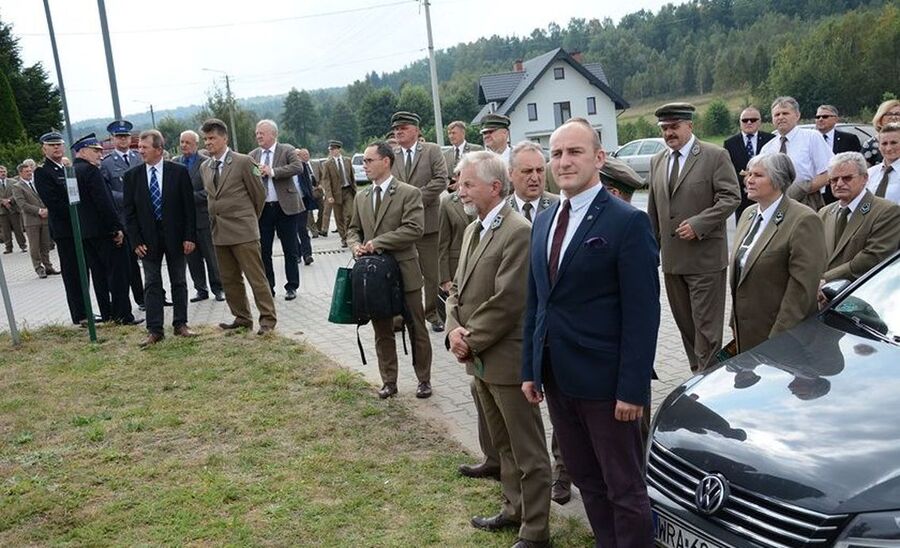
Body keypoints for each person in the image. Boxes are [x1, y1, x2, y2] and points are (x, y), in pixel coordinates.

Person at [521, 119, 660, 547]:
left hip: (607, 385)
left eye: (574, 152)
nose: (563, 161)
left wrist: (632, 390)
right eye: (557, 153)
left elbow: (643, 315)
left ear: (599, 158)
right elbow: (537, 301)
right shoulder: (544, 221)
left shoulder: (626, 223)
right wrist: (530, 368)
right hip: (558, 378)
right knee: (587, 481)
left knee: (625, 488)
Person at [446, 151, 551, 548]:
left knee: (529, 451)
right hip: (478, 359)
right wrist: (453, 330)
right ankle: (513, 509)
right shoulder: (474, 229)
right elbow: (455, 288)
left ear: (494, 187)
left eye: (468, 183)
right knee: (502, 443)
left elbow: (510, 300)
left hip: (507, 359)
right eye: (460, 182)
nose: (461, 189)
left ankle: (536, 531)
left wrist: (466, 340)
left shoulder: (518, 230)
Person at [647, 102, 740, 373]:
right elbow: (654, 209)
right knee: (686, 326)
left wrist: (700, 223)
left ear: (690, 125)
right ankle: (698, 373)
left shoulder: (714, 156)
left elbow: (731, 197)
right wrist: (651, 251)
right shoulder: (658, 161)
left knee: (706, 328)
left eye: (674, 127)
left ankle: (709, 377)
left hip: (705, 260)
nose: (668, 134)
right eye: (664, 128)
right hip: (673, 262)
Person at [347, 141, 433, 399]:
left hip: (404, 272)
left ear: (386, 161)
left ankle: (424, 380)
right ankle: (389, 381)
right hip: (374, 277)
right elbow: (353, 230)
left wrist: (378, 242)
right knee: (382, 329)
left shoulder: (408, 193)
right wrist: (356, 247)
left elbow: (414, 229)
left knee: (416, 326)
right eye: (364, 161)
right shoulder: (361, 196)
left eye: (369, 161)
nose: (365, 166)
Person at [730, 153, 826, 353]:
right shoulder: (748, 214)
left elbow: (802, 288)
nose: (749, 180)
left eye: (758, 175)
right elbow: (742, 273)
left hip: (779, 335)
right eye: (748, 174)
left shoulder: (803, 219)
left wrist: (780, 338)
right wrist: (735, 322)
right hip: (746, 330)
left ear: (778, 180)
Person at [199, 118, 277, 335]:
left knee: (256, 277)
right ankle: (242, 318)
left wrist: (249, 219)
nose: (208, 143)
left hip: (243, 232)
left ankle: (268, 321)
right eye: (205, 139)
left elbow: (259, 194)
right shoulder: (205, 166)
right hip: (219, 232)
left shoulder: (245, 162)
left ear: (225, 138)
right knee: (229, 279)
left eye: (212, 138)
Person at [123, 130, 197, 347]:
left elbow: (188, 208)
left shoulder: (179, 172)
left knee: (179, 281)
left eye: (144, 148)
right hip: (147, 240)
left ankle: (180, 324)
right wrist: (135, 241)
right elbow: (129, 213)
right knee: (152, 283)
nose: (140, 151)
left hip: (176, 237)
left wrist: (190, 236)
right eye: (139, 148)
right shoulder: (132, 176)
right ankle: (154, 330)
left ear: (159, 149)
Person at [391, 111, 449, 332]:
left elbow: (440, 180)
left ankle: (433, 313)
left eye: (403, 128)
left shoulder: (432, 150)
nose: (399, 131)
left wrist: (413, 199)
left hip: (428, 223)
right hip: (401, 224)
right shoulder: (391, 155)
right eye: (396, 129)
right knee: (402, 272)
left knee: (431, 273)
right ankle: (404, 315)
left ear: (416, 130)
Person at [72, 133, 140, 325]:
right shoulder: (91, 172)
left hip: (86, 233)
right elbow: (104, 203)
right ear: (83, 151)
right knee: (118, 274)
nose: (100, 156)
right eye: (95, 151)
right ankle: (122, 315)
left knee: (99, 276)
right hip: (104, 232)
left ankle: (107, 313)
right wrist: (116, 228)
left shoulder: (71, 172)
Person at [34, 132, 96, 324]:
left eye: (59, 145)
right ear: (44, 148)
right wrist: (77, 216)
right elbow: (54, 203)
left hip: (79, 228)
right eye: (52, 145)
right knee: (72, 273)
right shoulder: (43, 172)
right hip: (65, 230)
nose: (57, 148)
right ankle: (80, 314)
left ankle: (87, 310)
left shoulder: (66, 169)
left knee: (83, 271)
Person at [819, 151, 900, 284]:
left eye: (847, 178)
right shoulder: (824, 213)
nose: (839, 184)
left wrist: (825, 279)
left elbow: (872, 258)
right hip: (821, 294)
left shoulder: (887, 212)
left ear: (865, 178)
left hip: (861, 292)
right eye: (834, 179)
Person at [249, 119, 304, 300]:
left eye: (261, 133)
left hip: (286, 207)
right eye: (257, 133)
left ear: (273, 134)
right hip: (263, 209)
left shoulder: (286, 150)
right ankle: (268, 288)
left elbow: (298, 167)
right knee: (264, 250)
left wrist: (272, 171)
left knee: (290, 248)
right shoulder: (253, 155)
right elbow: (250, 176)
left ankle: (292, 286)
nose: (258, 136)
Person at [173, 130, 223, 303]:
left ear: (196, 144)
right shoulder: (175, 163)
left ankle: (218, 288)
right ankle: (201, 289)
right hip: (184, 221)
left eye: (187, 142)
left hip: (202, 217)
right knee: (192, 257)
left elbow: (211, 191)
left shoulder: (206, 163)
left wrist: (188, 197)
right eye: (182, 142)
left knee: (211, 255)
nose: (184, 145)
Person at [100, 119, 145, 309]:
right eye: (119, 137)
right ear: (112, 139)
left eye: (126, 136)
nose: (123, 140)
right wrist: (128, 196)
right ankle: (140, 299)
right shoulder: (108, 163)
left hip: (143, 215)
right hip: (123, 217)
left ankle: (156, 295)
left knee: (151, 258)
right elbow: (106, 191)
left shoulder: (138, 157)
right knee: (131, 263)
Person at [759, 96, 833, 210]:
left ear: (797, 115)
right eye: (777, 115)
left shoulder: (811, 137)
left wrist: (800, 190)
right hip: (775, 205)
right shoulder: (767, 148)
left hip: (807, 200)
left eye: (785, 113)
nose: (781, 117)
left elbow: (828, 172)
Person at [724, 106, 775, 220]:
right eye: (745, 120)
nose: (749, 122)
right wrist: (745, 179)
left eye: (753, 120)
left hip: (766, 194)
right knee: (744, 229)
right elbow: (728, 170)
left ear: (760, 122)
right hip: (742, 195)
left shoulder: (771, 139)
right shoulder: (730, 143)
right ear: (740, 122)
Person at [10, 162, 57, 279]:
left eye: (30, 171)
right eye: (26, 172)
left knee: (45, 244)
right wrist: (39, 211)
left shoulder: (37, 183)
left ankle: (48, 266)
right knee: (35, 246)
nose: (30, 173)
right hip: (32, 220)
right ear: (20, 173)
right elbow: (22, 204)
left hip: (45, 218)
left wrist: (47, 209)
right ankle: (38, 268)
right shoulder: (17, 186)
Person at [815, 104, 862, 205]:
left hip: (842, 190)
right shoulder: (810, 140)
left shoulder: (849, 139)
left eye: (825, 116)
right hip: (816, 193)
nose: (820, 119)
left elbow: (858, 165)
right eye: (818, 117)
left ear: (835, 119)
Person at [505, 141, 558, 221]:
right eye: (527, 171)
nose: (535, 178)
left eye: (540, 170)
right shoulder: (501, 210)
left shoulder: (559, 206)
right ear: (510, 174)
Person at [319, 140, 355, 247]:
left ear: (339, 150)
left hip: (348, 191)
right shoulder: (327, 164)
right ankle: (344, 239)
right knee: (339, 217)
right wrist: (329, 195)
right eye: (331, 150)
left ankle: (350, 236)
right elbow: (326, 181)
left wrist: (355, 190)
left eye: (334, 149)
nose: (332, 151)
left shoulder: (347, 161)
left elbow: (352, 177)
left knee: (349, 214)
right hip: (336, 194)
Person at [867, 122, 900, 204]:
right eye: (884, 144)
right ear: (879, 146)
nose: (888, 148)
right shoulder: (870, 173)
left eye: (894, 143)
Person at [861, 99, 900, 167]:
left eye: (898, 114)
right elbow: (863, 172)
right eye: (889, 114)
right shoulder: (870, 145)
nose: (894, 117)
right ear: (880, 118)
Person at [295, 147, 317, 265]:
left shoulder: (303, 167)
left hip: (302, 201)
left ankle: (307, 254)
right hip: (289, 203)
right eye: (295, 155)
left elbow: (308, 183)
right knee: (293, 231)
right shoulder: (286, 168)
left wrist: (310, 198)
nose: (297, 157)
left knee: (302, 228)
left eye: (299, 155)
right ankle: (297, 254)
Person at [443, 120, 483, 185]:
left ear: (463, 133)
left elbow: (481, 172)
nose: (451, 136)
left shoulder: (476, 150)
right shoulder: (445, 155)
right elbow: (445, 176)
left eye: (453, 133)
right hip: (452, 191)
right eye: (449, 133)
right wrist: (451, 186)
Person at [0, 164, 28, 253]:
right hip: (2, 211)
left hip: (14, 209)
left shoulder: (13, 182)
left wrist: (9, 200)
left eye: (4, 171)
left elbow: (17, 193)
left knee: (18, 229)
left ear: (6, 172)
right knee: (5, 230)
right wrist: (3, 201)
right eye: (0, 172)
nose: (2, 173)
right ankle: (8, 247)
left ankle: (23, 245)